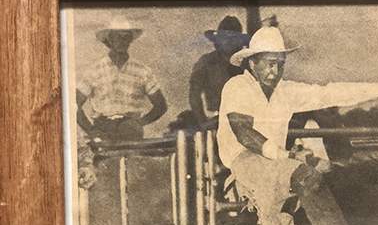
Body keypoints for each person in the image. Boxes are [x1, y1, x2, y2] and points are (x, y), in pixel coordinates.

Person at [217, 26, 378, 225]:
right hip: (244, 161)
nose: (275, 71)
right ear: (252, 62)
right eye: (269, 64)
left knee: (330, 177)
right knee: (308, 177)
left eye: (280, 64)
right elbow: (243, 132)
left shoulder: (286, 91)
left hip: (276, 163)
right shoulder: (237, 86)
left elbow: (335, 92)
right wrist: (281, 155)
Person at [76, 15, 168, 148]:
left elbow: (161, 105)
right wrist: (90, 130)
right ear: (109, 40)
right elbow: (74, 104)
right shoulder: (94, 70)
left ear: (130, 40)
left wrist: (139, 122)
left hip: (130, 128)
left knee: (132, 162)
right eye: (117, 36)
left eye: (126, 37)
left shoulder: (142, 70)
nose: (122, 41)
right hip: (102, 127)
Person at [188, 16, 249, 129]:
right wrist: (203, 123)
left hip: (246, 120)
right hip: (216, 120)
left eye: (234, 38)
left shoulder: (248, 63)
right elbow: (194, 95)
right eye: (224, 37)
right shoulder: (206, 62)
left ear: (240, 41)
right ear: (217, 40)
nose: (228, 41)